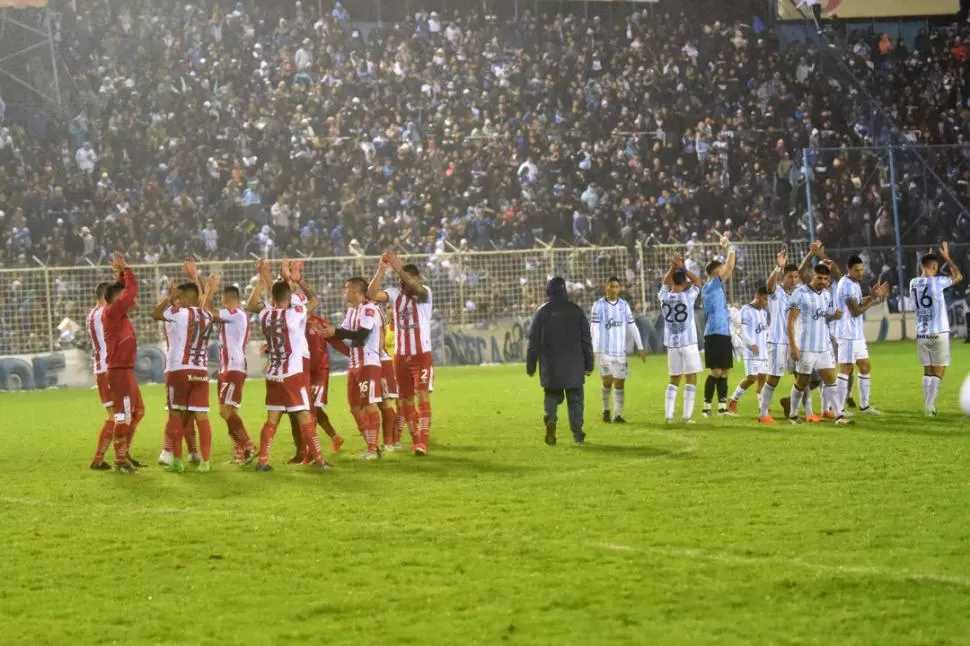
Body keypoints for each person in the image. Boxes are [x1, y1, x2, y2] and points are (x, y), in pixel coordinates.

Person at [247, 259, 329, 471]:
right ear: (289, 298)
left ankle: (263, 461)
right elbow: (313, 300)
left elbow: (252, 304)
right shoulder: (295, 314)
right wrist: (296, 279)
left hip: (273, 373)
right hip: (292, 374)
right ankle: (319, 460)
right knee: (304, 415)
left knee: (272, 419)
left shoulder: (265, 314)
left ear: (272, 298)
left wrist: (263, 277)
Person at [367, 252, 433, 456]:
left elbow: (416, 288)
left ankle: (422, 442)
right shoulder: (395, 294)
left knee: (422, 396)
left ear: (416, 279)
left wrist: (398, 267)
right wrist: (381, 270)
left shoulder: (425, 294)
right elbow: (371, 294)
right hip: (402, 356)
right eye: (402, 278)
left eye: (408, 278)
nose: (404, 282)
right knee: (404, 400)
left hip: (421, 353)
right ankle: (415, 442)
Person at [152, 275, 218, 473]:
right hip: (200, 371)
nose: (177, 299)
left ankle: (176, 461)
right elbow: (203, 304)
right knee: (202, 417)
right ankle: (205, 461)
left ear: (186, 298)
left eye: (180, 296)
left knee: (175, 415)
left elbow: (155, 314)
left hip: (178, 370)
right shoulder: (207, 315)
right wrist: (209, 290)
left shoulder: (177, 313)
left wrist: (168, 299)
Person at [526, 277, 594, 446]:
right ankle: (578, 433)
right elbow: (586, 340)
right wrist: (589, 364)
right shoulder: (576, 311)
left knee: (551, 395)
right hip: (574, 365)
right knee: (575, 399)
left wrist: (531, 365)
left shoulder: (542, 312)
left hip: (551, 365)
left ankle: (551, 419)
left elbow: (533, 341)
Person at [322, 278, 384, 460]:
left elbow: (361, 335)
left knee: (369, 404)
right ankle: (371, 447)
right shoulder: (352, 311)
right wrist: (329, 333)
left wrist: (336, 332)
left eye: (347, 289)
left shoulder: (369, 309)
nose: (344, 292)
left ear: (356, 291)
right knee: (355, 407)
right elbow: (343, 332)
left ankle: (372, 449)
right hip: (355, 364)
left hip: (369, 362)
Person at [786, 263, 850, 425]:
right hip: (806, 346)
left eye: (825, 279)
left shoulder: (826, 295)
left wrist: (833, 317)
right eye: (819, 277)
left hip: (823, 346)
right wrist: (793, 346)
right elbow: (790, 321)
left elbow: (822, 317)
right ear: (811, 276)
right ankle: (793, 415)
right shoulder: (799, 294)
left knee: (830, 379)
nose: (822, 281)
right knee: (802, 382)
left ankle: (838, 415)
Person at [102, 253, 145, 472]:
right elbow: (128, 295)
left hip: (125, 370)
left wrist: (120, 275)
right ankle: (120, 460)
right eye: (124, 295)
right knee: (124, 415)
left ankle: (124, 453)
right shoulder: (112, 312)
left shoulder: (118, 315)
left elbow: (125, 295)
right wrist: (127, 270)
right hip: (119, 371)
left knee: (137, 412)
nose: (131, 299)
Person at [910, 243, 964, 416]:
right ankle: (929, 406)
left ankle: (928, 406)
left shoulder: (913, 283)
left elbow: (923, 274)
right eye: (936, 267)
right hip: (938, 332)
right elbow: (959, 276)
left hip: (922, 333)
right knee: (939, 370)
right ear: (934, 268)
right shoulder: (938, 282)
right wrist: (947, 258)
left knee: (928, 371)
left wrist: (928, 262)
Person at [835, 255, 889, 416]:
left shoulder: (853, 283)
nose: (860, 272)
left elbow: (857, 302)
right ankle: (840, 409)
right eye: (857, 270)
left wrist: (873, 296)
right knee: (846, 369)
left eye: (861, 269)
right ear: (849, 269)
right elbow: (856, 311)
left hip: (856, 334)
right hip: (847, 333)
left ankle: (865, 406)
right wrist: (872, 299)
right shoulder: (846, 285)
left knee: (865, 366)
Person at [210, 283, 257, 464]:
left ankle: (248, 445)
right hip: (226, 368)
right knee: (229, 412)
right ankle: (240, 452)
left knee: (225, 411)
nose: (220, 302)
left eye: (221, 299)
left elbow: (207, 311)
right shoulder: (231, 316)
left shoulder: (236, 314)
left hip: (233, 368)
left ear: (228, 299)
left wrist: (208, 291)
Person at [590, 276, 646, 424]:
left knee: (620, 383)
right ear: (606, 287)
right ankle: (606, 410)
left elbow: (632, 326)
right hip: (604, 351)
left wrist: (640, 346)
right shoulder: (598, 305)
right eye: (611, 286)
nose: (614, 289)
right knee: (608, 380)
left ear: (619, 288)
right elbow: (594, 328)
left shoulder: (624, 305)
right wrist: (594, 349)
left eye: (616, 287)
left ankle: (618, 414)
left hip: (619, 352)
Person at [760, 250, 803, 424]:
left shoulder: (798, 293)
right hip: (777, 340)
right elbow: (769, 285)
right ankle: (763, 414)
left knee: (802, 375)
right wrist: (778, 266)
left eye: (796, 277)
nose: (793, 280)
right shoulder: (776, 291)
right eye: (790, 277)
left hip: (794, 341)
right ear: (783, 277)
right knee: (774, 378)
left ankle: (794, 411)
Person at [659, 256, 702, 424]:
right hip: (688, 342)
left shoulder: (664, 297)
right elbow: (698, 282)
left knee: (674, 379)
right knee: (691, 378)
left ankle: (669, 417)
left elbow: (664, 283)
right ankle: (686, 416)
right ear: (684, 281)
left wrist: (672, 267)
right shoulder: (688, 297)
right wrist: (682, 267)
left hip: (672, 344)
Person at [701, 237, 736, 416]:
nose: (725, 271)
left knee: (725, 370)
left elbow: (728, 268)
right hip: (714, 333)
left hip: (723, 332)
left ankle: (722, 407)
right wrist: (730, 247)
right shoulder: (710, 286)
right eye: (721, 269)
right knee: (715, 370)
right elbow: (730, 266)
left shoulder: (714, 287)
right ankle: (706, 406)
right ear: (716, 273)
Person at [306, 310, 349, 455]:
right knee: (312, 409)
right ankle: (335, 437)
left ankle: (311, 453)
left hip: (319, 372)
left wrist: (353, 354)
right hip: (302, 372)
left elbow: (335, 340)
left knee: (310, 410)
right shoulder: (292, 320)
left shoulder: (317, 322)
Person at [727, 286, 769, 416]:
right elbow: (742, 331)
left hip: (763, 351)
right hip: (751, 351)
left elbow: (764, 331)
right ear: (757, 295)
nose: (765, 302)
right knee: (751, 378)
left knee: (763, 378)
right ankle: (733, 400)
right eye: (764, 298)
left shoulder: (764, 312)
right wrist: (751, 344)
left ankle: (762, 408)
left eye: (767, 299)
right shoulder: (746, 310)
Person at [88, 281, 116, 470]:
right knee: (116, 416)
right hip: (109, 369)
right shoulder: (104, 314)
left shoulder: (93, 314)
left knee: (122, 414)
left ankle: (123, 454)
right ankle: (99, 458)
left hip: (102, 368)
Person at [375, 303, 402, 451]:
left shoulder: (402, 328)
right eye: (388, 308)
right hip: (388, 369)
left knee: (400, 405)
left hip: (399, 368)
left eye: (393, 307)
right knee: (391, 404)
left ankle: (394, 440)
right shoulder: (385, 327)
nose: (390, 311)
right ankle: (392, 441)